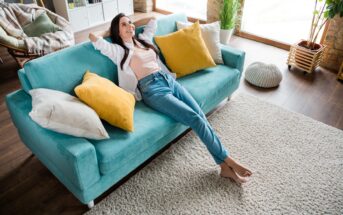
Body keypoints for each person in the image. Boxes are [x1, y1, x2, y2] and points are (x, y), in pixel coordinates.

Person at [89, 13, 252, 184]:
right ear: (117, 31)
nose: (130, 26)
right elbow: (93, 38)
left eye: (130, 23)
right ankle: (228, 159)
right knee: (194, 118)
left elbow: (152, 19)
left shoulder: (143, 39)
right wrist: (109, 30)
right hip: (152, 89)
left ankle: (224, 167)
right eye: (123, 25)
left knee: (200, 115)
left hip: (168, 80)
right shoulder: (118, 50)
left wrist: (131, 25)